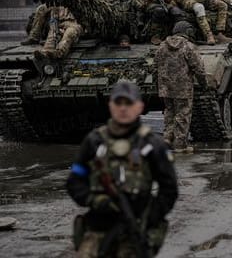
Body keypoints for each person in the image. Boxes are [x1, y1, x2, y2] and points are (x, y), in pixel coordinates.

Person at [66, 81, 178, 257]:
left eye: (129, 103)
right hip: (98, 226)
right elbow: (75, 181)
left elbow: (169, 189)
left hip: (135, 227)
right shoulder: (94, 141)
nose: (123, 109)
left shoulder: (152, 145)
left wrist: (149, 217)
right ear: (110, 105)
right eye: (118, 103)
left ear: (140, 106)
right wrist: (94, 200)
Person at [155, 21, 207, 150]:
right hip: (183, 88)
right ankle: (180, 144)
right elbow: (199, 68)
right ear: (188, 32)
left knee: (169, 113)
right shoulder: (188, 46)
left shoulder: (162, 46)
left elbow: (155, 63)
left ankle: (167, 138)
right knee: (182, 114)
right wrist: (203, 83)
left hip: (165, 88)